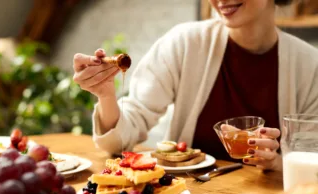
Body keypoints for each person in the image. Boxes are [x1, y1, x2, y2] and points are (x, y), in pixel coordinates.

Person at [72, 0, 318, 171]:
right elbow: (120, 141)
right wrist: (106, 96)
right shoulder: (184, 43)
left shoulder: (310, 66)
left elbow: (312, 166)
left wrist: (276, 163)